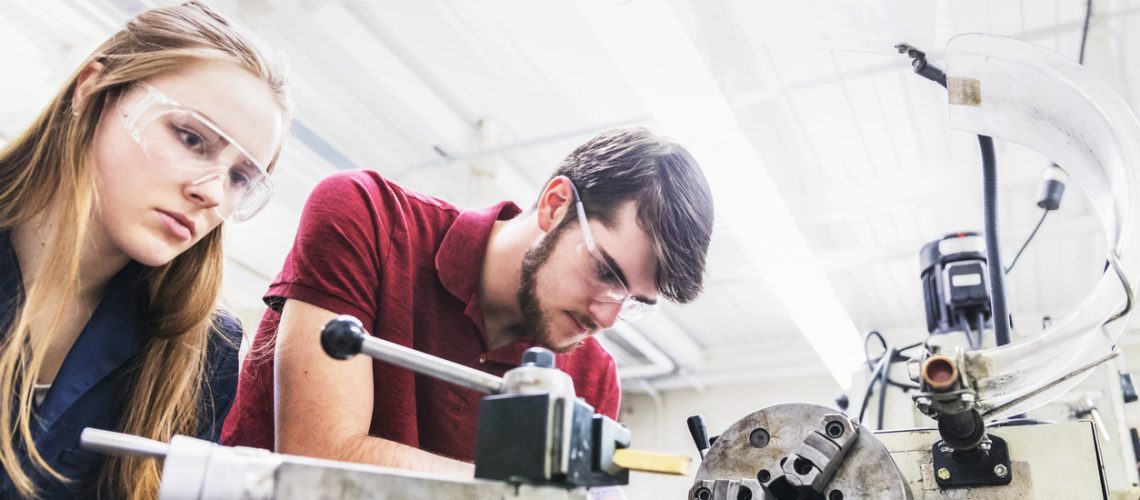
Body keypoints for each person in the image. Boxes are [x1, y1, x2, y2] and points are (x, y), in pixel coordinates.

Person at [223, 127, 715, 475]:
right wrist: (527, 492)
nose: (606, 317)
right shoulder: (367, 217)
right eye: (605, 272)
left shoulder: (592, 377)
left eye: (634, 301)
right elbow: (318, 459)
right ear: (555, 205)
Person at [0, 2, 290, 498]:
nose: (213, 193)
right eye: (191, 137)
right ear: (93, 90)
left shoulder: (203, 351)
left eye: (240, 177)